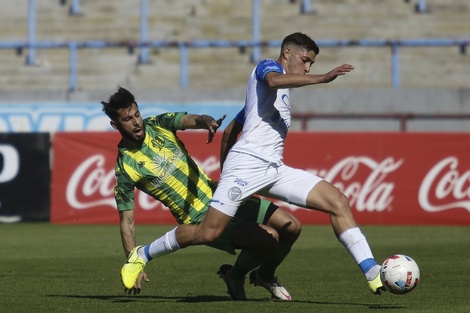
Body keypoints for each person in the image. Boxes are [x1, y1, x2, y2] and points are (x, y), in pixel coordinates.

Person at [122, 32, 385, 296]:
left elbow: (230, 131)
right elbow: (272, 80)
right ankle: (142, 254)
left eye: (312, 65)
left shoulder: (273, 97)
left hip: (274, 169)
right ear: (287, 54)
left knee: (335, 203)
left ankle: (369, 270)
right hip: (246, 166)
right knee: (208, 233)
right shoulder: (267, 68)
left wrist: (224, 170)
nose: (307, 67)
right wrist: (322, 78)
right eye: (305, 60)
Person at [101, 87, 301, 300]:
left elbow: (189, 120)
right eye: (127, 119)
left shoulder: (157, 125)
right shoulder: (125, 168)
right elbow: (127, 221)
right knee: (269, 239)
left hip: (223, 194)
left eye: (137, 115)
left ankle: (265, 275)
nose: (136, 122)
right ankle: (235, 275)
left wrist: (207, 122)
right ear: (115, 125)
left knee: (292, 226)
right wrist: (133, 261)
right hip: (199, 218)